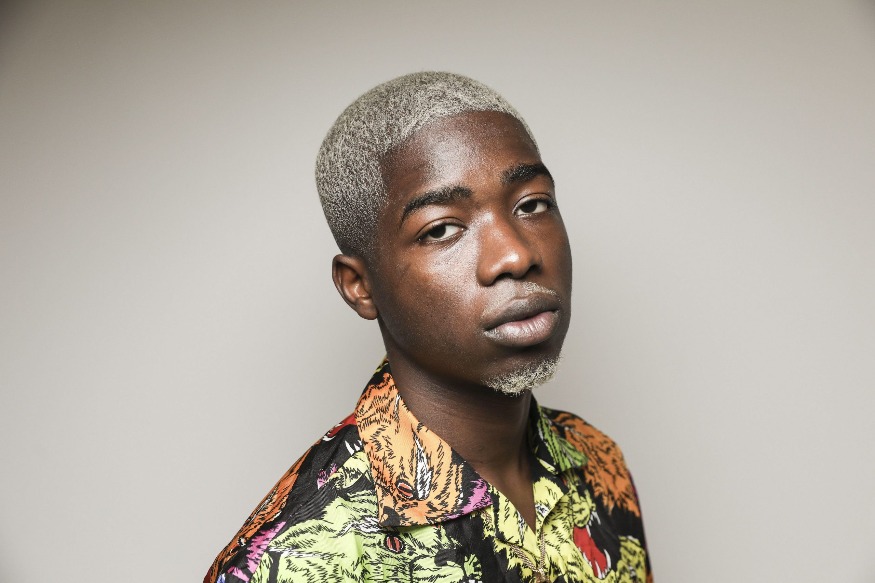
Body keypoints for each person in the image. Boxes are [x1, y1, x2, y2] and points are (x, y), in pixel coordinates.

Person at [204, 72, 652, 583]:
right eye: (441, 229)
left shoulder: (598, 463)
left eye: (532, 204)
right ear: (360, 286)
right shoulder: (292, 561)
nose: (515, 255)